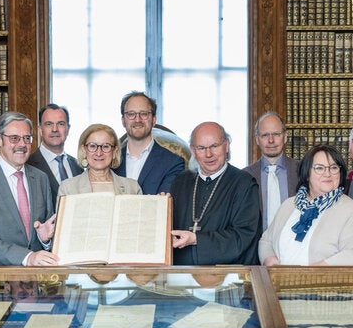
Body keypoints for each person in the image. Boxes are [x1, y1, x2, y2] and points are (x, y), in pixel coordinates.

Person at [0, 111, 58, 265]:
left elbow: (44, 230)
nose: (22, 144)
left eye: (27, 138)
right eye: (14, 138)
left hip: (34, 279)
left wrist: (45, 239)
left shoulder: (41, 178)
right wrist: (27, 257)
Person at [259, 144, 353, 266]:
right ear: (307, 174)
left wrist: (314, 272)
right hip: (279, 281)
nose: (327, 173)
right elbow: (266, 241)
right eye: (319, 168)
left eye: (333, 168)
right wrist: (271, 262)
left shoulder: (352, 211)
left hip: (321, 283)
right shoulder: (288, 205)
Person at [169, 121, 261, 265]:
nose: (208, 154)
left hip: (226, 277)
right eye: (201, 148)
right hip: (182, 276)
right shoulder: (181, 181)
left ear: (226, 146)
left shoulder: (244, 183)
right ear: (193, 151)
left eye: (214, 146)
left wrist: (196, 239)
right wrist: (161, 207)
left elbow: (243, 235)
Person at [115, 91, 185, 195]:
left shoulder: (173, 163)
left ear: (154, 119)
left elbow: (163, 205)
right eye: (131, 114)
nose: (137, 119)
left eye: (143, 114)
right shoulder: (111, 161)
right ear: (123, 121)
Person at [243, 111, 301, 230]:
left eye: (276, 134)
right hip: (257, 246)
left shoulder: (302, 171)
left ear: (285, 137)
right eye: (265, 135)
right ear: (257, 139)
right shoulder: (244, 176)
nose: (271, 140)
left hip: (295, 245)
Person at [59, 124, 142, 196]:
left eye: (106, 146)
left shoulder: (132, 188)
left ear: (114, 152)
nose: (99, 153)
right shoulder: (68, 188)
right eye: (92, 146)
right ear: (84, 151)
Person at [26, 103, 82, 203]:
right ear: (40, 130)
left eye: (60, 124)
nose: (55, 129)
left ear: (68, 129)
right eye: (49, 124)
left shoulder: (79, 166)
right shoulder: (27, 165)